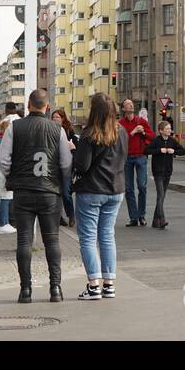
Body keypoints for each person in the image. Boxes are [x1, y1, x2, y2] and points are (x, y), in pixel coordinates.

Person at [0, 89, 72, 303]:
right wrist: (58, 179)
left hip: (23, 191)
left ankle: (25, 290)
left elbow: (2, 158)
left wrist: (13, 174)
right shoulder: (57, 129)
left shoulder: (15, 127)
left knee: (24, 240)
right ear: (46, 107)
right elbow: (66, 163)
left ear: (28, 105)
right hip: (49, 191)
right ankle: (55, 288)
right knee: (52, 241)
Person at [72, 93, 127, 300]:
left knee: (87, 238)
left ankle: (93, 285)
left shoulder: (89, 134)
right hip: (116, 190)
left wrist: (74, 151)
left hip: (92, 190)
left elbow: (82, 165)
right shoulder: (122, 132)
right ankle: (109, 284)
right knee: (107, 236)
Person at [118, 100, 155, 227]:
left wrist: (143, 132)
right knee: (128, 189)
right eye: (127, 104)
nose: (131, 105)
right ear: (123, 109)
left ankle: (142, 215)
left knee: (142, 186)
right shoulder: (120, 124)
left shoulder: (141, 121)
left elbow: (152, 136)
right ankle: (133, 217)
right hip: (126, 158)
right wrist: (133, 132)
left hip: (140, 156)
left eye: (131, 104)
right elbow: (118, 140)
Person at [145, 118, 185, 227]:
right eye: (167, 129)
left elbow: (183, 151)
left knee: (162, 196)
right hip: (157, 171)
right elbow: (146, 150)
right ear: (161, 131)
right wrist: (159, 150)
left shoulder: (172, 141)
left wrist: (174, 151)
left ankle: (155, 221)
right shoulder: (156, 140)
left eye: (170, 128)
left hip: (168, 171)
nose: (169, 130)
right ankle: (162, 219)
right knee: (160, 194)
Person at [0, 103, 21, 234]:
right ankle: (4, 223)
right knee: (8, 195)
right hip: (12, 163)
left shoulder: (1, 123)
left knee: (5, 194)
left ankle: (6, 222)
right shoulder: (18, 122)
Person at [51, 109, 78, 227]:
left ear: (63, 119)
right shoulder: (50, 130)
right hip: (54, 166)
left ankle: (71, 215)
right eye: (53, 117)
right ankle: (59, 217)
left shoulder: (69, 131)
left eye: (57, 117)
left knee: (66, 193)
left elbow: (77, 148)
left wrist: (72, 147)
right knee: (56, 193)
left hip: (67, 166)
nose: (55, 119)